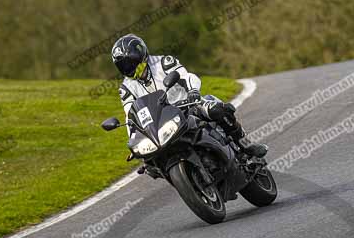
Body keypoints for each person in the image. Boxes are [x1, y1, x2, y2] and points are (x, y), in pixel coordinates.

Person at [110, 34, 268, 158]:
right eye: (123, 66)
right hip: (162, 123)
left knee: (216, 110)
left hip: (188, 106)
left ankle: (245, 143)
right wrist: (133, 140)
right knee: (150, 161)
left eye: (130, 63)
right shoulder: (126, 87)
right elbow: (130, 116)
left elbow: (186, 76)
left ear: (140, 55)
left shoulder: (163, 63)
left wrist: (193, 91)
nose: (128, 68)